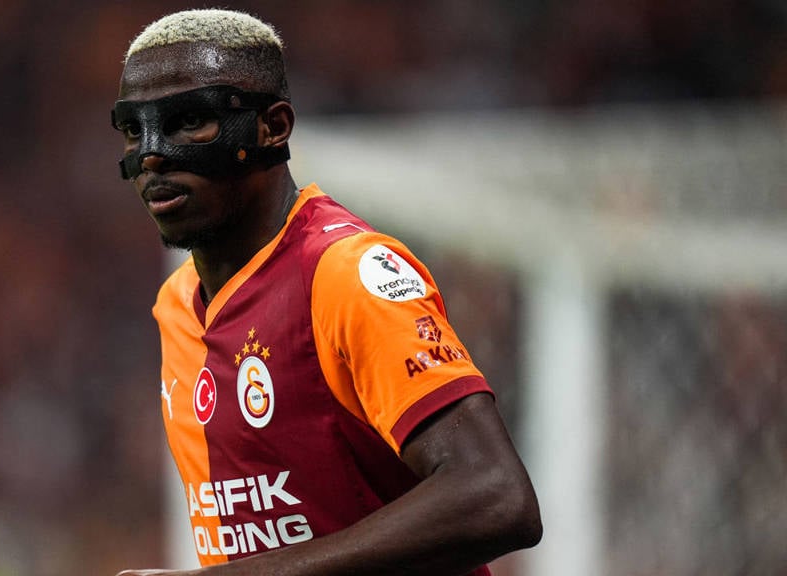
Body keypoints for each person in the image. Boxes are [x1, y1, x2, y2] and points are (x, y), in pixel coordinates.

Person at [112, 9, 541, 576]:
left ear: (273, 127)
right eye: (133, 129)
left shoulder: (345, 274)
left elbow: (498, 496)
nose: (151, 153)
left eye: (189, 121)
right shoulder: (177, 304)